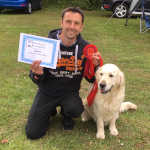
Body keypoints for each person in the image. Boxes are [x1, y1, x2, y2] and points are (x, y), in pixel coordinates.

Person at [25, 7, 102, 140]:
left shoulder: (86, 48)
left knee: (76, 109)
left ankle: (66, 114)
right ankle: (50, 110)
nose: (72, 26)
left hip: (69, 93)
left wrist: (95, 66)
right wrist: (37, 73)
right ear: (61, 23)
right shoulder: (45, 45)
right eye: (68, 21)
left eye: (76, 23)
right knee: (33, 133)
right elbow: (35, 78)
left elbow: (91, 79)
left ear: (81, 27)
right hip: (47, 92)